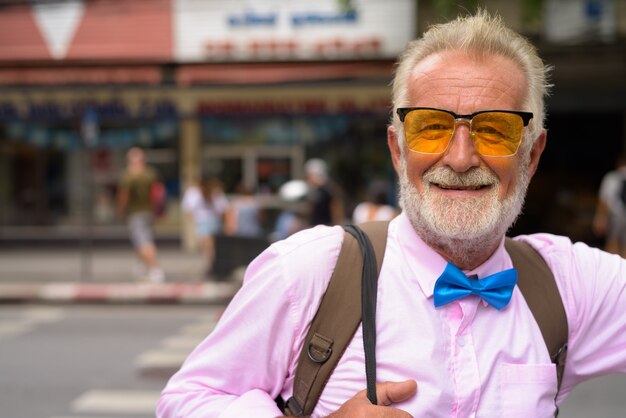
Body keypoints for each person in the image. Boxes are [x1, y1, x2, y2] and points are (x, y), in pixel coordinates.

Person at [157, 11, 626, 417]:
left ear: (532, 155)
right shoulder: (311, 272)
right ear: (398, 150)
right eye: (432, 127)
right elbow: (189, 398)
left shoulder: (568, 287)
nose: (460, 158)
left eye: (495, 131)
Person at [116, 147, 165, 283]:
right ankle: (141, 266)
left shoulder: (128, 175)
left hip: (135, 213)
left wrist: (120, 210)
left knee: (144, 242)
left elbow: (123, 196)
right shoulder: (150, 173)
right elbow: (158, 194)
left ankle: (155, 269)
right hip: (149, 212)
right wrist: (158, 211)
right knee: (141, 239)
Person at [181, 176, 229, 276]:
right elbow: (223, 209)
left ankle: (211, 266)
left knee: (208, 247)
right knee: (209, 247)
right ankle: (211, 265)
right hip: (209, 222)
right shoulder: (196, 192)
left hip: (206, 222)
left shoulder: (210, 192)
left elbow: (188, 209)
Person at [593, 153, 626, 257]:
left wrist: (600, 218)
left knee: (612, 244)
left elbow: (604, 200)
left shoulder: (612, 177)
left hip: (615, 217)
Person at [305, 158, 345, 226]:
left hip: (327, 228)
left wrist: (338, 226)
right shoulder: (312, 190)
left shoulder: (328, 190)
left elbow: (336, 208)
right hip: (316, 228)